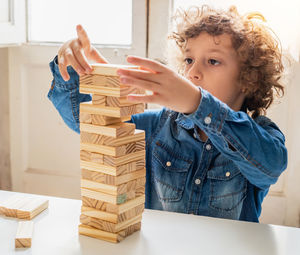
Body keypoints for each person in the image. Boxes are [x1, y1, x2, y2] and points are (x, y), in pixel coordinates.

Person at [48, 5, 287, 222]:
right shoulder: (159, 126)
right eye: (189, 59)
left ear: (249, 78)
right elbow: (91, 125)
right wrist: (72, 68)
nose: (193, 71)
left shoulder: (262, 134)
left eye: (213, 61)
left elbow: (271, 166)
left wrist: (198, 104)